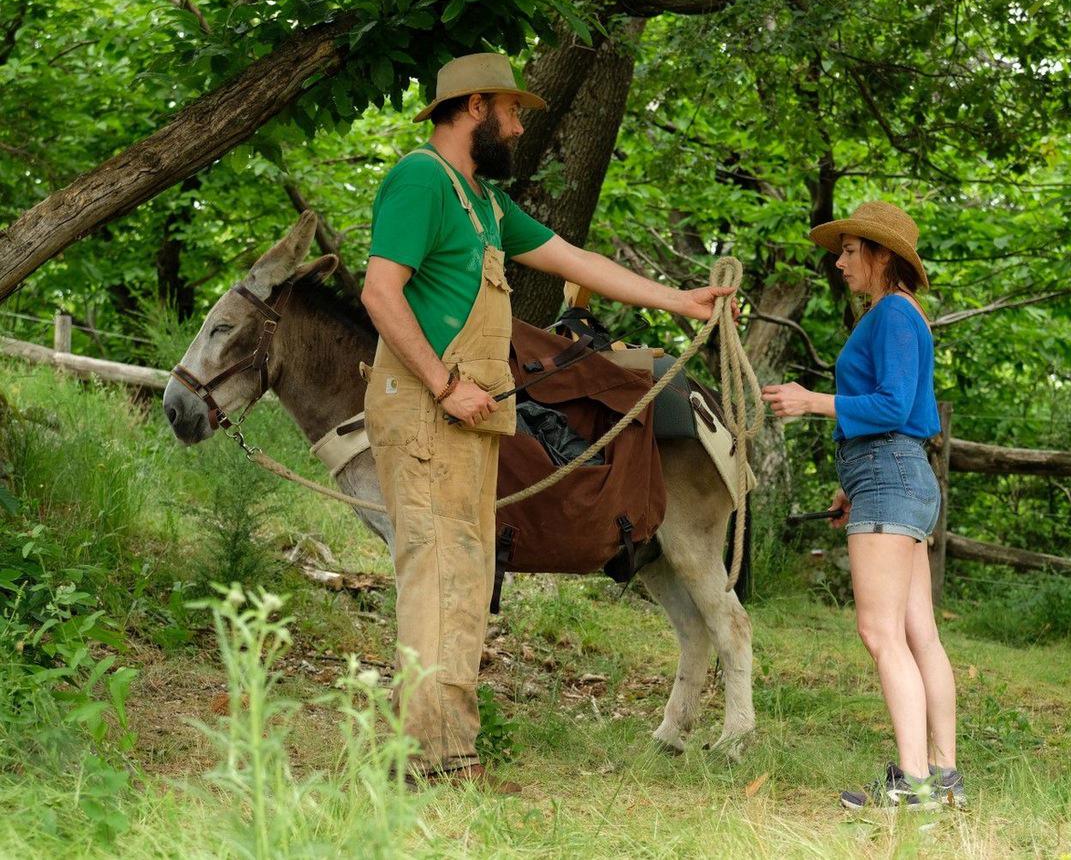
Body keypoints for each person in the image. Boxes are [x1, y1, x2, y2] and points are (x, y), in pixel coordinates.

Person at [359, 53, 736, 790]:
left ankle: (449, 754)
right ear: (476, 108)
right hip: (431, 416)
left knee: (464, 577)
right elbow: (380, 292)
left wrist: (676, 301)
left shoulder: (484, 203)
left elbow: (573, 258)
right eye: (513, 110)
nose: (522, 124)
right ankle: (424, 758)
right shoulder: (419, 179)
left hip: (472, 420)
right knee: (438, 577)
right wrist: (441, 385)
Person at [760, 201, 965, 810]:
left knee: (880, 631)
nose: (840, 260)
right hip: (890, 475)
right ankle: (942, 777)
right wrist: (852, 483)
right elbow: (891, 417)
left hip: (891, 473)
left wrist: (810, 401)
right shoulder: (892, 316)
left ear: (882, 256)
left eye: (851, 250)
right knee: (916, 631)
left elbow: (895, 406)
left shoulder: (895, 315)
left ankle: (914, 783)